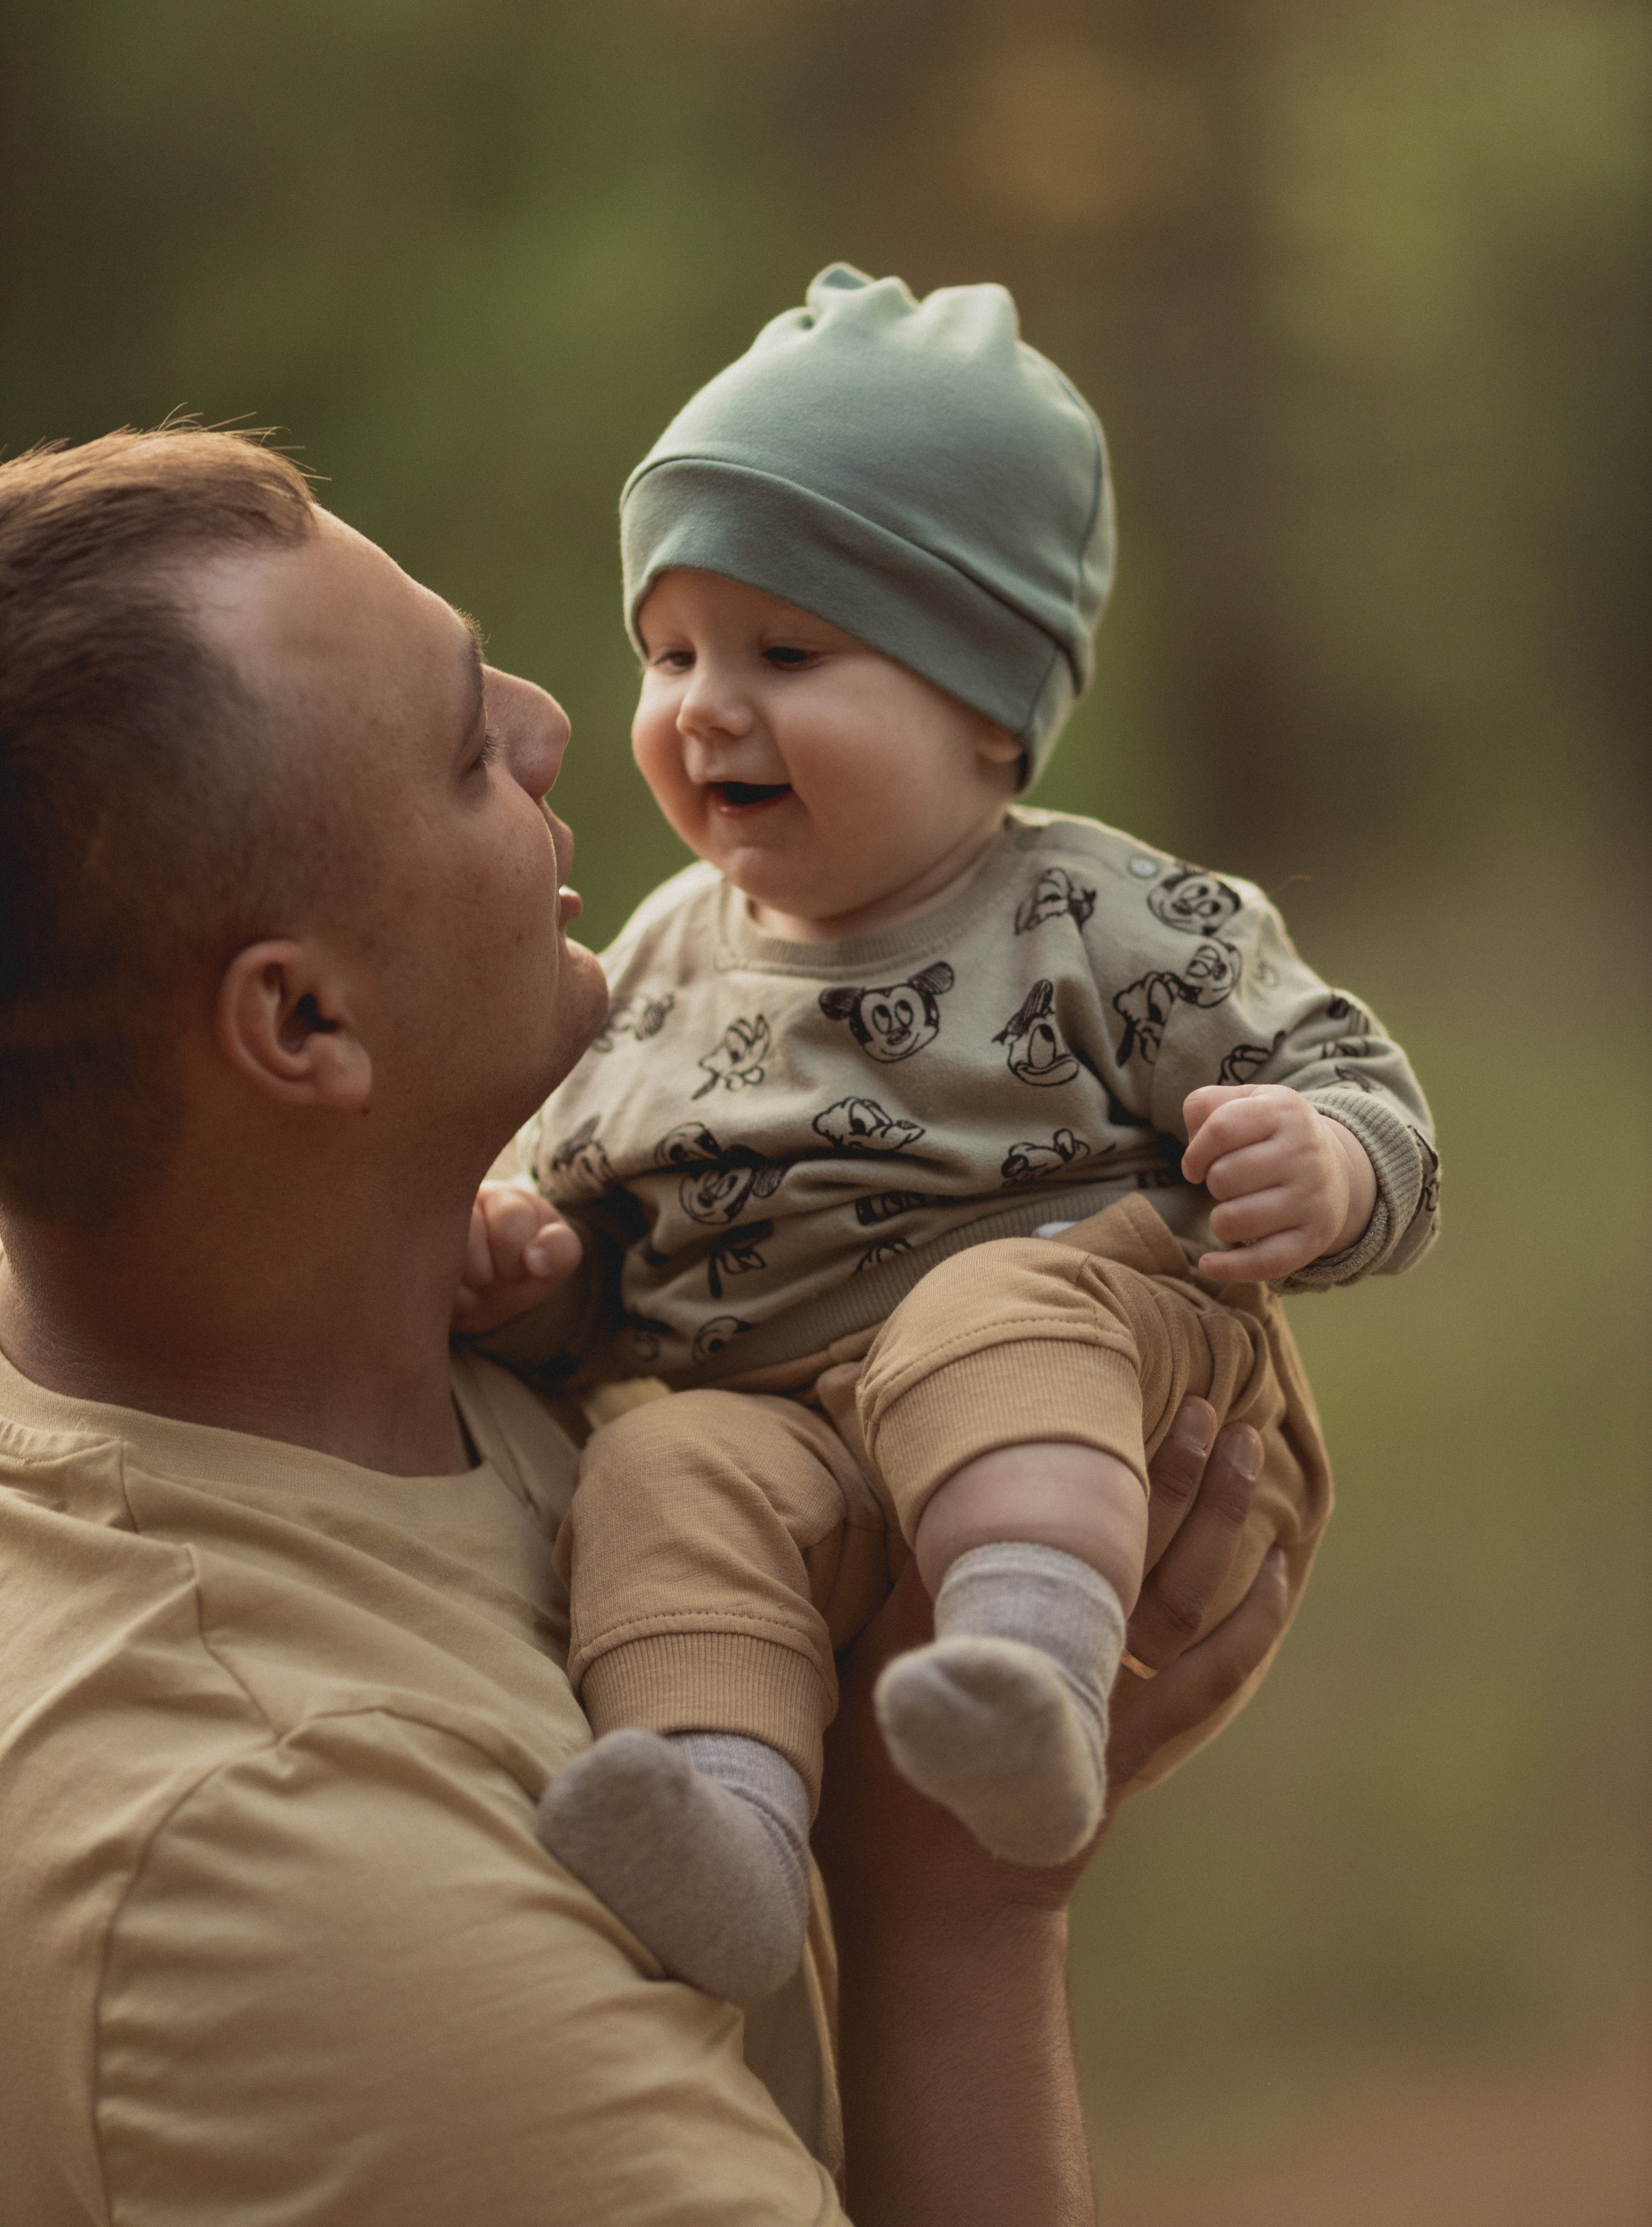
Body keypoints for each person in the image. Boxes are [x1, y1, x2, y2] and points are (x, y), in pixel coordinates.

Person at [0, 425, 1291, 2227]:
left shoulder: (357, 1341)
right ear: (302, 1031)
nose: (556, 722)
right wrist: (958, 1911)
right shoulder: (292, 1879)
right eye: (467, 751)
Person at [459, 265, 1439, 2006]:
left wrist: (1331, 1160)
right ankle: (733, 1833)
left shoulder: (1103, 918)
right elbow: (609, 1248)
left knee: (984, 1315)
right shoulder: (663, 960)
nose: (703, 703)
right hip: (800, 1440)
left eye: (787, 650)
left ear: (988, 704)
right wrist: (535, 1278)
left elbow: (1354, 1074)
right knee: (658, 1468)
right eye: (670, 650)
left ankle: (1032, 1680)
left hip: (1110, 1369)